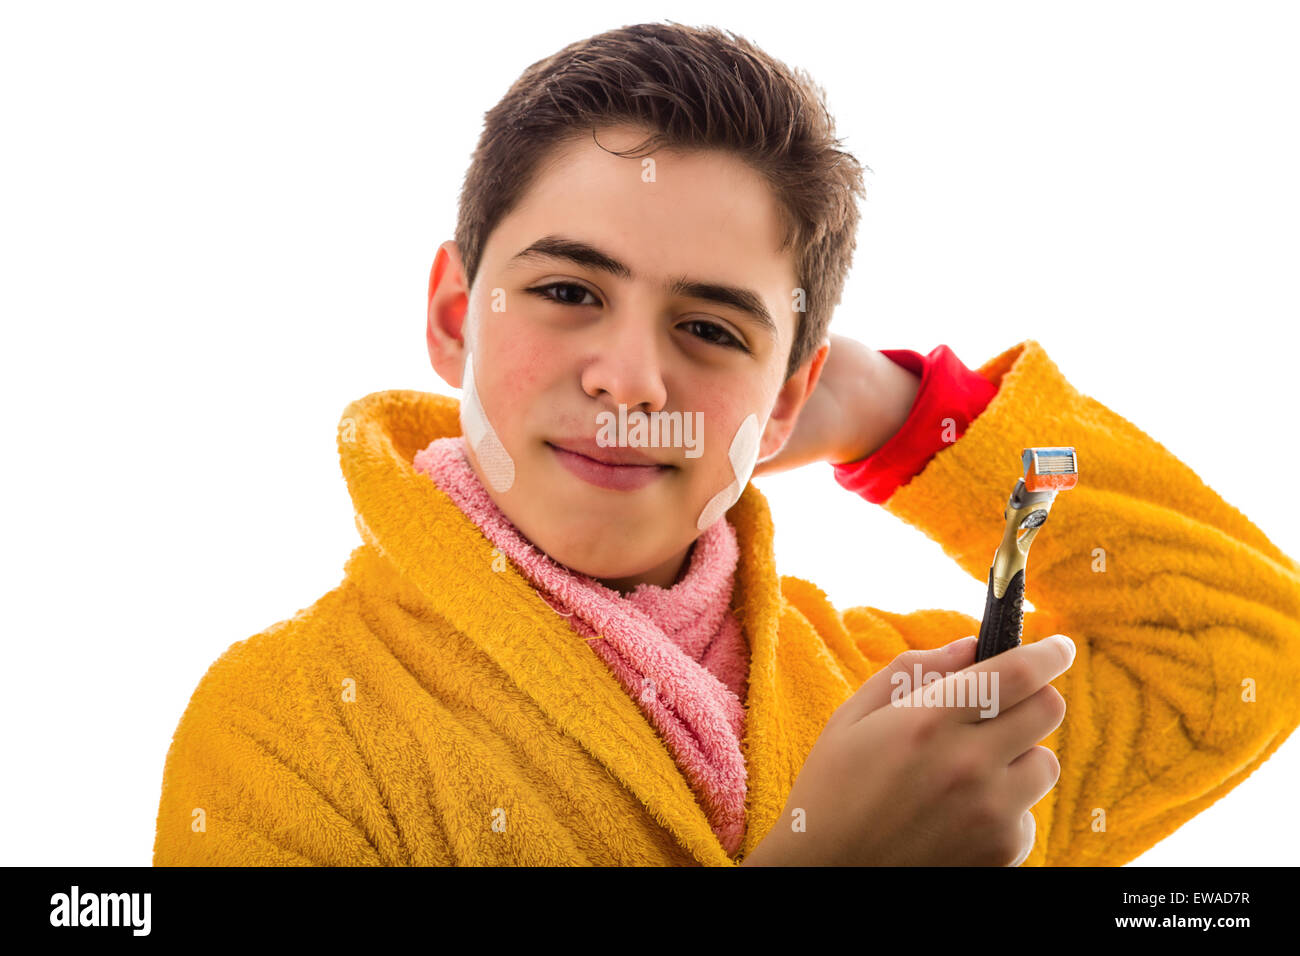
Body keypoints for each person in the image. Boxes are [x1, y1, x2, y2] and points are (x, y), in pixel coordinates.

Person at [153, 22, 1300, 867]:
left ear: (789, 393)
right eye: (565, 288)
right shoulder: (289, 727)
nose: (632, 375)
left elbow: (1243, 645)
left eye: (709, 327)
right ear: (455, 314)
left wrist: (900, 411)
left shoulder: (902, 721)